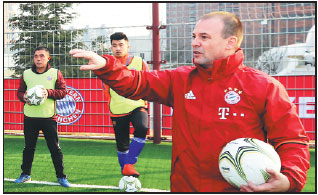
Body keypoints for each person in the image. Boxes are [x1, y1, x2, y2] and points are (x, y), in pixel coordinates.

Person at [70, 11, 310, 192]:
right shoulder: (180, 79)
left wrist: (290, 178)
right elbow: (137, 83)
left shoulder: (264, 87)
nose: (195, 42)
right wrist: (107, 66)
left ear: (231, 43)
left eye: (204, 37)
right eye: (194, 36)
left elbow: (291, 139)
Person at [16, 46, 70, 187]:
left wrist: (48, 92)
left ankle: (61, 176)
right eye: (36, 56)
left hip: (49, 117)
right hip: (30, 117)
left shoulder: (55, 73)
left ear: (48, 58)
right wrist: (24, 98)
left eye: (41, 56)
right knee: (29, 148)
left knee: (54, 148)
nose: (38, 59)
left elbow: (63, 92)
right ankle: (25, 174)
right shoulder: (26, 74)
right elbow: (20, 92)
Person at [101, 32, 149, 177]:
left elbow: (148, 82)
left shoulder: (140, 62)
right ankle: (126, 175)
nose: (118, 48)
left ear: (128, 46)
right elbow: (106, 89)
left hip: (137, 104)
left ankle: (129, 164)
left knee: (142, 127)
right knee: (122, 145)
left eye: (121, 45)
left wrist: (144, 101)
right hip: (117, 109)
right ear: (111, 48)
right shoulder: (107, 65)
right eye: (114, 45)